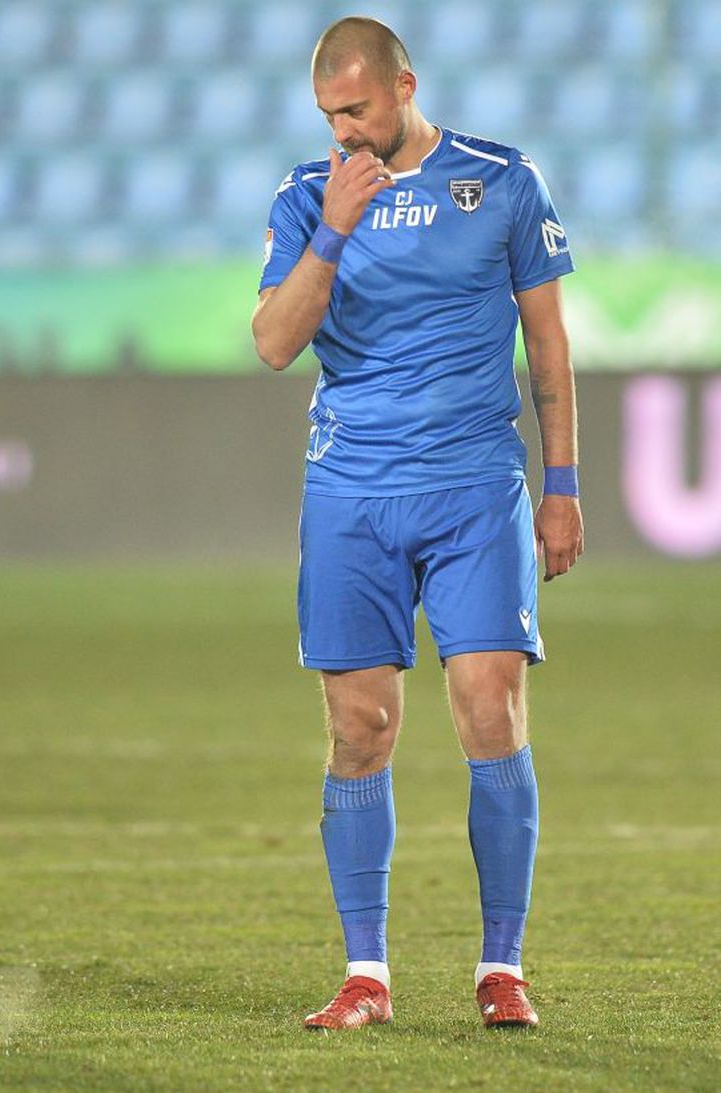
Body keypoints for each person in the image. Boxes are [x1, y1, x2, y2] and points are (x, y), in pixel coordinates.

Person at [251, 17, 583, 1031]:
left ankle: (501, 966)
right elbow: (273, 342)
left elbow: (547, 342)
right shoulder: (307, 196)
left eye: (357, 109)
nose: (344, 130)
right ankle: (366, 972)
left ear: (404, 86)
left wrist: (561, 481)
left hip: (476, 487)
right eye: (329, 116)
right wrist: (336, 229)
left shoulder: (503, 180)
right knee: (363, 728)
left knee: (490, 707)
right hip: (351, 492)